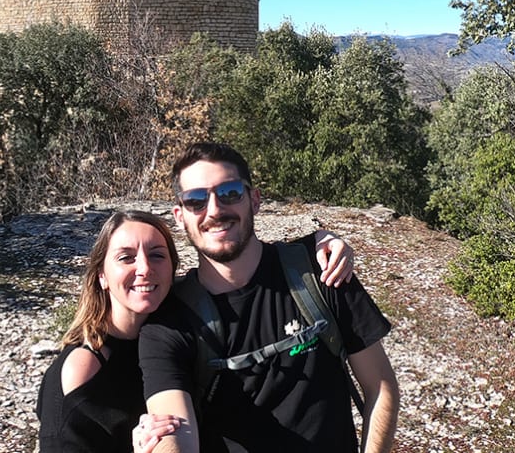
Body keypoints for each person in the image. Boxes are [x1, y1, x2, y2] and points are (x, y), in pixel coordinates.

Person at [139, 142, 400, 453]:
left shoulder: (321, 272)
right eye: (196, 200)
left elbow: (381, 386)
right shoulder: (169, 322)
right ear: (180, 216)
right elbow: (174, 430)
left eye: (230, 192)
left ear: (255, 199)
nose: (214, 210)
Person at [36, 208, 357, 453]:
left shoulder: (174, 328)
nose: (145, 268)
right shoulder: (83, 369)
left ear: (172, 269)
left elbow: (244, 266)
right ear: (102, 276)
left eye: (157, 255)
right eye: (126, 257)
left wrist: (320, 241)